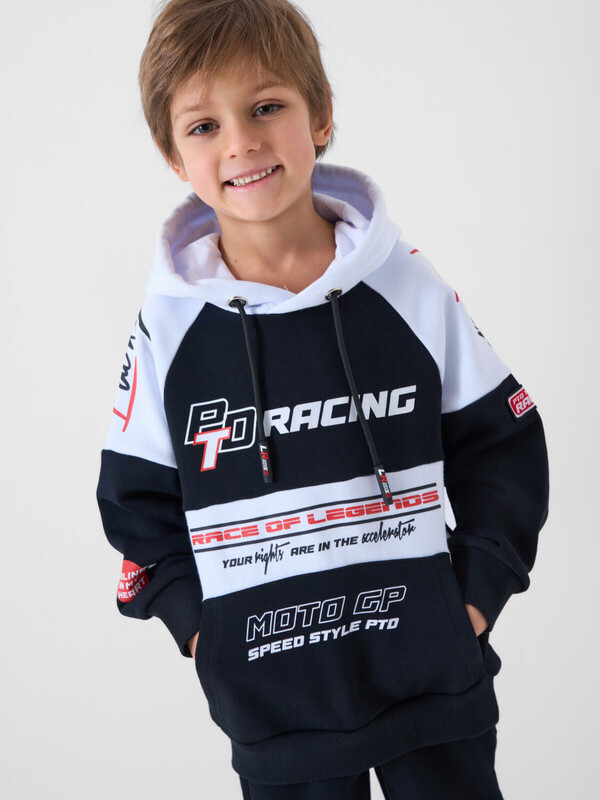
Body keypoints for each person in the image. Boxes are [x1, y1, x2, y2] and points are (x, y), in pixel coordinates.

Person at [96, 0, 550, 797]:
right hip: (277, 715)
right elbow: (136, 505)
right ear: (173, 156)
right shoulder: (169, 327)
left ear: (321, 116)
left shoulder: (406, 285)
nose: (241, 142)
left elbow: (503, 445)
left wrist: (471, 600)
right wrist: (207, 637)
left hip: (435, 688)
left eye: (265, 107)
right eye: (204, 126)